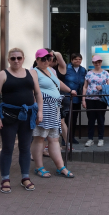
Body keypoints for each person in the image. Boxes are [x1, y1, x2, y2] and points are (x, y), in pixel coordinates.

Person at [0, 48, 43, 193]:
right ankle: (5, 179)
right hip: (8, 117)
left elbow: (38, 93)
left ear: (23, 58)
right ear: (8, 59)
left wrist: (40, 111)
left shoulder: (31, 73)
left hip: (27, 117)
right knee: (7, 148)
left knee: (25, 147)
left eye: (19, 58)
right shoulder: (3, 74)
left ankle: (25, 178)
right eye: (13, 58)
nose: (16, 61)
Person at [30, 49, 76, 178]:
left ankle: (60, 167)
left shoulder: (50, 70)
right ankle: (39, 167)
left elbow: (58, 83)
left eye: (48, 58)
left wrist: (70, 90)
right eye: (43, 59)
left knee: (54, 139)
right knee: (39, 138)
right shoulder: (34, 71)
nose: (46, 61)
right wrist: (38, 110)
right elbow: (33, 90)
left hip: (54, 108)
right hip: (43, 108)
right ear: (37, 60)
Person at [82, 55, 109, 147]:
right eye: (95, 62)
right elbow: (85, 86)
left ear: (101, 62)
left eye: (99, 61)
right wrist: (83, 99)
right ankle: (90, 139)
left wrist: (102, 87)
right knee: (91, 120)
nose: (97, 63)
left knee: (101, 119)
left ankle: (100, 138)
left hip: (101, 100)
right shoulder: (89, 73)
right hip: (90, 99)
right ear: (93, 63)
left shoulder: (106, 73)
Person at [62, 53, 87, 145]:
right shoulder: (65, 68)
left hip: (77, 98)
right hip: (67, 98)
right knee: (67, 119)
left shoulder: (83, 70)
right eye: (76, 59)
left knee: (74, 118)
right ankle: (64, 138)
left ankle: (71, 137)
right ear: (71, 60)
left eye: (79, 59)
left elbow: (85, 83)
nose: (78, 61)